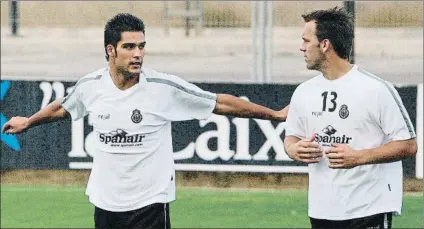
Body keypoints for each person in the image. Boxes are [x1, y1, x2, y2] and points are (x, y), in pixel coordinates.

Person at [2, 13, 289, 229]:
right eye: (129, 47)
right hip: (105, 201)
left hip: (149, 205)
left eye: (141, 46)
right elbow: (62, 107)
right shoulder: (90, 86)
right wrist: (29, 121)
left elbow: (220, 103)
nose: (138, 53)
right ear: (110, 50)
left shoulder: (163, 87)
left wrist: (273, 115)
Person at [283, 7, 417, 229]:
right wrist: (294, 149)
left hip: (368, 209)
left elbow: (408, 145)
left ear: (325, 45)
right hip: (321, 210)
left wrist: (359, 157)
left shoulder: (376, 89)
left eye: (306, 41)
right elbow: (292, 137)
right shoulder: (304, 92)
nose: (301, 47)